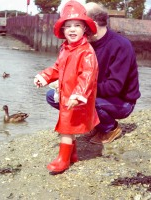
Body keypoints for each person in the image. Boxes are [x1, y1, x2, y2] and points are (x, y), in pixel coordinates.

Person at [46, 2, 141, 145]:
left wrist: (79, 91)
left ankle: (111, 128)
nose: (77, 29)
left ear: (93, 24)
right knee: (53, 97)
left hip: (122, 101)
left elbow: (114, 87)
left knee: (84, 101)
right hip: (98, 94)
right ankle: (96, 123)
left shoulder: (120, 46)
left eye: (80, 24)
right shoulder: (82, 46)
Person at [34, 0, 99, 174]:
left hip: (76, 97)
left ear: (85, 28)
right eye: (68, 26)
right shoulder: (66, 49)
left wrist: (78, 95)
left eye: (77, 25)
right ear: (62, 30)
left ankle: (63, 160)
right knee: (68, 126)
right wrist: (45, 76)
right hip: (66, 95)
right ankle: (73, 155)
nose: (72, 29)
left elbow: (88, 75)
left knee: (65, 127)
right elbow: (57, 68)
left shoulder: (86, 52)